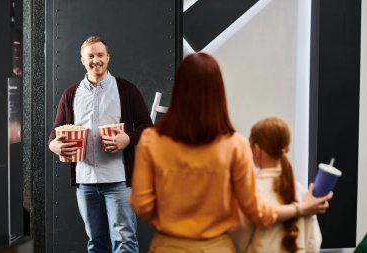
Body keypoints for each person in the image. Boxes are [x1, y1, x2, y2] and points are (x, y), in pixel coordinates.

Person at [129, 52, 332, 253]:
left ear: (179, 89)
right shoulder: (236, 144)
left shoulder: (151, 140)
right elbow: (258, 211)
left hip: (167, 247)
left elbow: (141, 206)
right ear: (218, 92)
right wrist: (300, 208)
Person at [48, 36, 153, 253]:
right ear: (82, 60)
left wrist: (128, 139)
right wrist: (54, 146)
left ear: (108, 57)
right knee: (96, 243)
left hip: (119, 181)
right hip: (85, 181)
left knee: (124, 241)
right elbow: (55, 132)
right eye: (91, 56)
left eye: (100, 55)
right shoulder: (71, 94)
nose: (96, 60)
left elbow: (147, 126)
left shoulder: (126, 90)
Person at [231, 117, 322, 253]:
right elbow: (314, 243)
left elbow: (238, 241)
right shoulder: (302, 192)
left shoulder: (251, 192)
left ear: (256, 149)